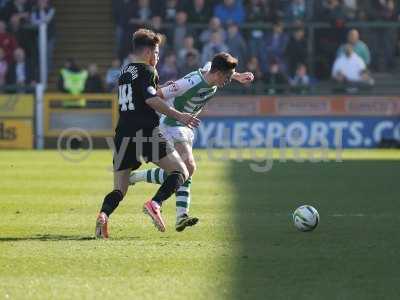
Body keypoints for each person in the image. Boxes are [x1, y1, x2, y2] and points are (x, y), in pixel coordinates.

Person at [129, 52, 254, 232]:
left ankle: (178, 214)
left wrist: (237, 76)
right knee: (188, 166)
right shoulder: (190, 83)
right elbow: (157, 95)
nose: (227, 81)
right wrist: (163, 89)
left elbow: (212, 63)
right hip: (171, 124)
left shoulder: (210, 70)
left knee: (182, 171)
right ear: (217, 73)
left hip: (185, 126)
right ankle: (155, 203)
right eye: (227, 77)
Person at [95, 28, 200, 238]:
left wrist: (159, 86)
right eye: (157, 53)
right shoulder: (147, 71)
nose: (158, 57)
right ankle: (155, 204)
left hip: (123, 134)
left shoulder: (125, 71)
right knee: (181, 172)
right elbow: (150, 99)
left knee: (120, 189)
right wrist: (180, 116)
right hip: (146, 133)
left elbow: (142, 92)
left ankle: (103, 215)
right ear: (148, 52)